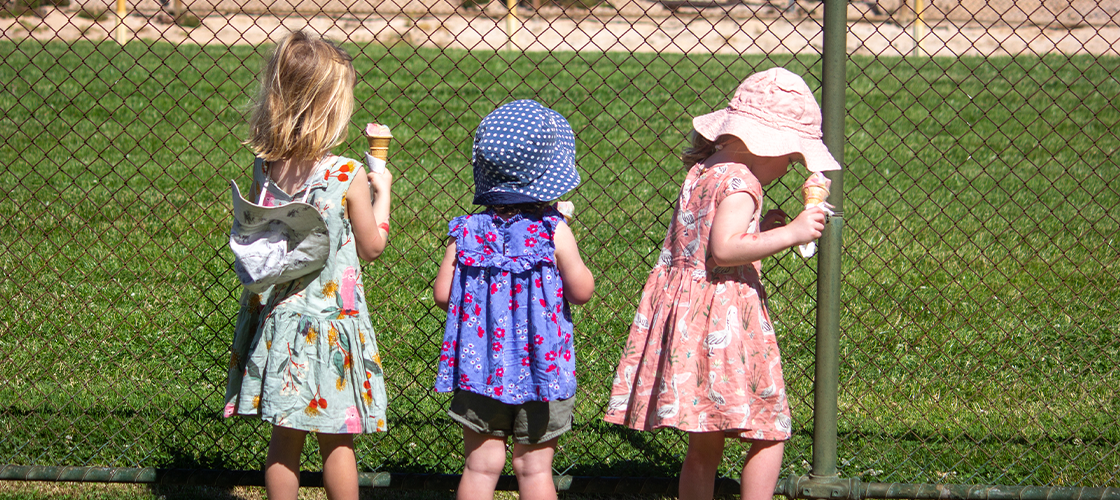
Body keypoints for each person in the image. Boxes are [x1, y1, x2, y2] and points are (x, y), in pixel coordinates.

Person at [603, 67, 841, 500]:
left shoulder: (706, 170)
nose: (788, 168)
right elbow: (726, 250)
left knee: (705, 434)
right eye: (789, 158)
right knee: (770, 428)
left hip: (691, 314)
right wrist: (794, 232)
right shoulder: (742, 182)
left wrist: (762, 229)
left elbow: (712, 236)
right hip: (723, 320)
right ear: (764, 144)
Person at [222, 30, 393, 500]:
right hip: (331, 320)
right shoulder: (346, 174)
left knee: (284, 436)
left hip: (279, 318)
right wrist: (384, 192)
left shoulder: (266, 166)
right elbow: (372, 245)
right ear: (329, 107)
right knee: (337, 438)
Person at [432, 99, 595, 500]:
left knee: (479, 466)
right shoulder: (553, 232)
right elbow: (582, 290)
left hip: (478, 367)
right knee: (534, 469)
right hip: (542, 371)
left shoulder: (466, 230)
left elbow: (442, 295)